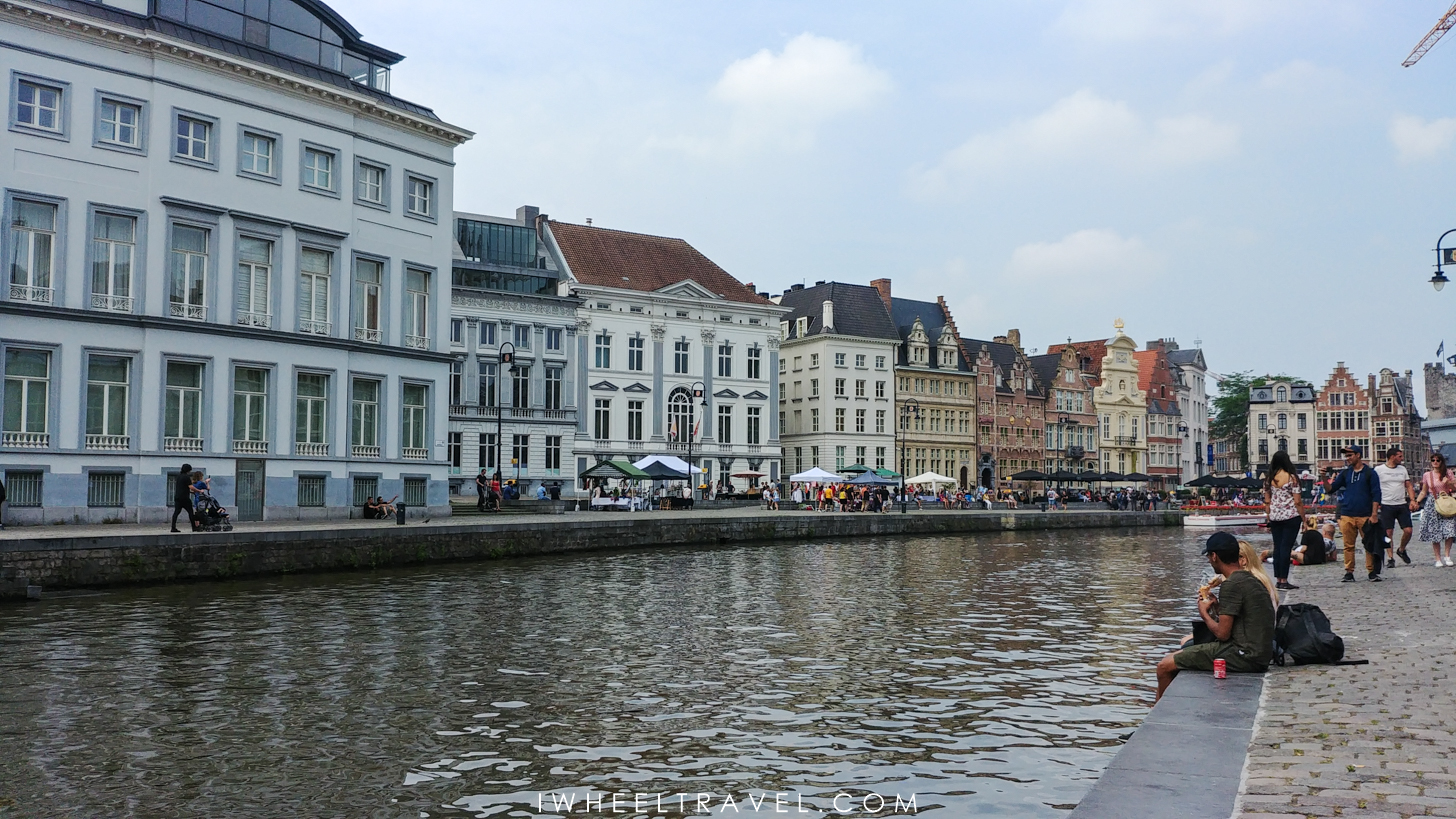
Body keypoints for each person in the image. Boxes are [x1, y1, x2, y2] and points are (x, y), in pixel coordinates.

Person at [1155, 532, 1276, 702]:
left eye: (1209, 557)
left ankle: (1158, 712)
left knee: (1164, 665)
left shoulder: (1231, 584)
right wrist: (1218, 607)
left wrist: (1204, 613)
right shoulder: (1250, 579)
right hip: (1259, 654)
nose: (1209, 561)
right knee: (1179, 655)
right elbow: (1243, 620)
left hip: (1244, 656)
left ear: (1214, 556)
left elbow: (1223, 634)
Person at [1327, 444, 1383, 582]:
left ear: (1358, 455)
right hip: (1347, 513)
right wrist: (1323, 477)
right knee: (1348, 545)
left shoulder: (1370, 473)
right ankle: (1349, 571)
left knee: (1369, 544)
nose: (1347, 458)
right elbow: (1331, 489)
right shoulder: (1345, 473)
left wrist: (1374, 514)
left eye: (1350, 455)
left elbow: (1376, 494)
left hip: (1365, 514)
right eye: (1346, 456)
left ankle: (1371, 571)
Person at [1264, 451, 1305, 591]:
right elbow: (1297, 501)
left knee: (1277, 547)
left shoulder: (1269, 479)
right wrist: (1304, 519)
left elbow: (1267, 501)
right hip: (1290, 516)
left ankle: (1278, 579)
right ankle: (1284, 580)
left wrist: (1268, 516)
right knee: (1286, 548)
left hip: (1275, 516)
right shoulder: (1292, 478)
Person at [1374, 446, 1415, 569]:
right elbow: (1374, 486)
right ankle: (1390, 557)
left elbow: (1408, 485)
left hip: (1401, 503)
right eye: (1399, 456)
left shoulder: (1402, 469)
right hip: (1386, 504)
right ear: (1392, 457)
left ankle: (1401, 549)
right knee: (1388, 533)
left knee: (1408, 531)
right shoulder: (1379, 470)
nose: (1402, 458)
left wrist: (1412, 500)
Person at [1415, 452, 1456, 567]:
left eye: (1438, 460)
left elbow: (1454, 488)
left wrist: (1448, 483)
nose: (1435, 462)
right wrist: (1416, 501)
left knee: (1449, 530)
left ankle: (1447, 555)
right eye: (1433, 460)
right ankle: (1438, 558)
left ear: (1441, 462)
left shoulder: (1448, 473)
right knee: (1435, 532)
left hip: (1446, 502)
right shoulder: (1427, 475)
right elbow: (1424, 491)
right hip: (1433, 503)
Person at [170, 462, 198, 533]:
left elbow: (182, 487)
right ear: (188, 470)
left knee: (176, 512)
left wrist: (190, 492)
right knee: (190, 512)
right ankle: (194, 527)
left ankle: (173, 527)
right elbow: (191, 487)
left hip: (177, 497)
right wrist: (198, 491)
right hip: (185, 498)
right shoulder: (186, 477)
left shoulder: (179, 476)